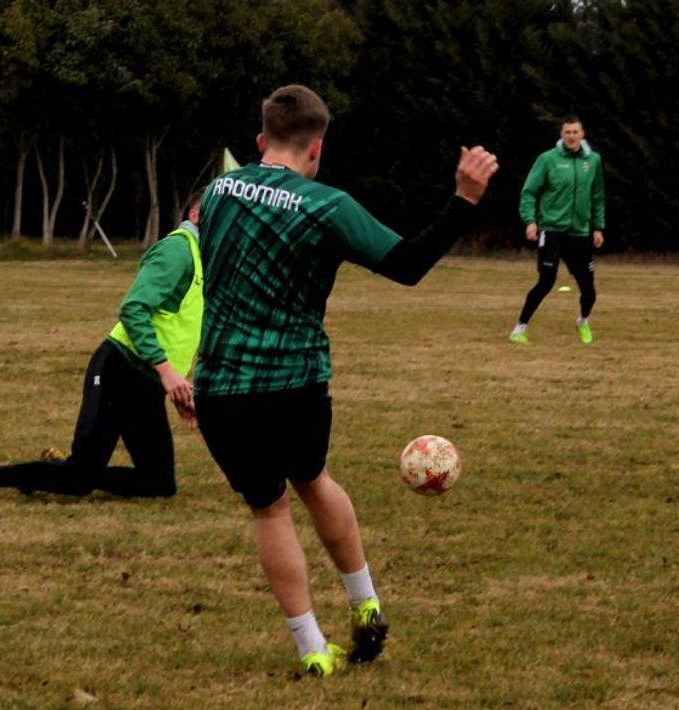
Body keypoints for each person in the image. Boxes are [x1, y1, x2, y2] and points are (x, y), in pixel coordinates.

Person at [195, 84, 498, 677]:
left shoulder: (217, 192)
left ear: (260, 139)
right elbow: (406, 264)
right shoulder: (327, 206)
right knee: (312, 479)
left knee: (269, 510)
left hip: (222, 386)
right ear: (317, 147)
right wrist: (463, 200)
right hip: (295, 381)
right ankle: (366, 603)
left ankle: (312, 648)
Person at [0, 199, 202, 500]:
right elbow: (133, 309)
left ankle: (51, 471)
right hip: (120, 370)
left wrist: (174, 383)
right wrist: (166, 370)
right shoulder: (178, 249)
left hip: (148, 382)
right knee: (79, 478)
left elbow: (179, 327)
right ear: (195, 213)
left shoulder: (203, 259)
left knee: (158, 484)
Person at [509, 115, 605, 345]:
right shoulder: (548, 159)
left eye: (575, 132)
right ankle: (519, 329)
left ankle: (583, 321)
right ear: (561, 135)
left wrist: (598, 227)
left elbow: (597, 196)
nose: (571, 136)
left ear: (582, 134)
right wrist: (530, 221)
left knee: (589, 290)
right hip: (551, 230)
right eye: (567, 132)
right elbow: (529, 192)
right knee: (546, 281)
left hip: (579, 233)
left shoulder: (593, 161)